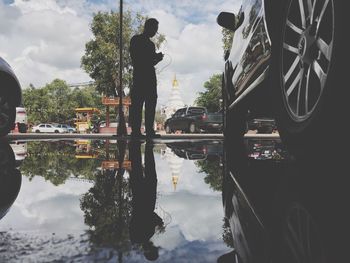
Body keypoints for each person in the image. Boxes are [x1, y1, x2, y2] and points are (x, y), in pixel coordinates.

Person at [129, 141, 163, 261]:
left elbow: (150, 216)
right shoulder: (134, 238)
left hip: (147, 198)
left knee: (149, 170)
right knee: (136, 168)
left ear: (151, 250)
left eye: (154, 248)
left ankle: (149, 147)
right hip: (137, 198)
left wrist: (160, 222)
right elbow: (134, 219)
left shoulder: (148, 234)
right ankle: (134, 145)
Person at [129, 18, 163, 139]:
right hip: (142, 77)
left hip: (146, 76)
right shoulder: (137, 40)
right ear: (148, 27)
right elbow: (137, 59)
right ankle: (139, 131)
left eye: (156, 30)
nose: (155, 32)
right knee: (139, 105)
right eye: (154, 29)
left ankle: (147, 131)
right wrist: (155, 58)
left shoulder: (149, 44)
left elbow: (149, 62)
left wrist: (156, 59)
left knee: (148, 105)